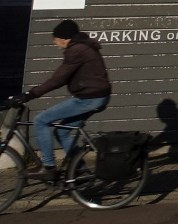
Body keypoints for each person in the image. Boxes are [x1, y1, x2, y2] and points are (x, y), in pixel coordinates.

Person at [21, 20, 111, 184]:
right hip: (95, 96)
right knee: (62, 131)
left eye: (55, 39)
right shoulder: (82, 46)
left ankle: (48, 167)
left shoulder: (76, 50)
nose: (55, 43)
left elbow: (58, 79)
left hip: (89, 98)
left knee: (41, 120)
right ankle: (81, 169)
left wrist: (30, 94)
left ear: (64, 38)